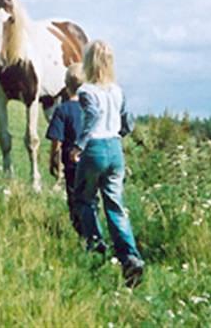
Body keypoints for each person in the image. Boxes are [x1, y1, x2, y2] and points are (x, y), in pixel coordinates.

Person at [70, 40, 144, 287]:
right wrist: (120, 134)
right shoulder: (117, 90)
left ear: (89, 62)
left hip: (94, 148)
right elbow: (128, 122)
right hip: (115, 148)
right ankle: (129, 256)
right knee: (115, 204)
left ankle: (96, 247)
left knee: (85, 199)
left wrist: (79, 145)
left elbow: (92, 117)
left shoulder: (86, 91)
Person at [45, 63, 86, 235]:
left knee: (74, 198)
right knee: (90, 198)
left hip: (71, 164)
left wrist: (53, 160)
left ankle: (81, 232)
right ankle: (93, 231)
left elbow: (57, 141)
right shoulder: (90, 109)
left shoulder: (62, 110)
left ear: (65, 84)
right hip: (90, 160)